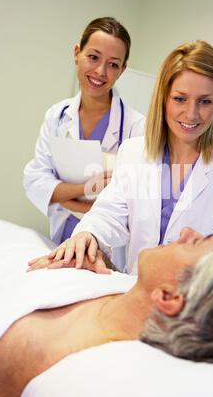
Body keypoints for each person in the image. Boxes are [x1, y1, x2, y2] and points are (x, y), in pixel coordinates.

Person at [0, 227, 213, 397]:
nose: (185, 231)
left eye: (195, 242)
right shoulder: (127, 290)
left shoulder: (51, 350)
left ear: (170, 297)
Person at [36, 39, 213, 274]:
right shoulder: (133, 152)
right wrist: (88, 235)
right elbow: (110, 213)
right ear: (164, 97)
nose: (191, 114)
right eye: (180, 99)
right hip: (134, 290)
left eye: (205, 101)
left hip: (194, 301)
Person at [23, 17, 145, 253]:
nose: (100, 71)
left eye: (113, 64)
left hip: (105, 248)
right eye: (93, 57)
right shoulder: (57, 115)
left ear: (123, 70)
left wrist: (62, 195)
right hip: (61, 234)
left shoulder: (136, 128)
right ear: (77, 53)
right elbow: (36, 179)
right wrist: (83, 193)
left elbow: (130, 203)